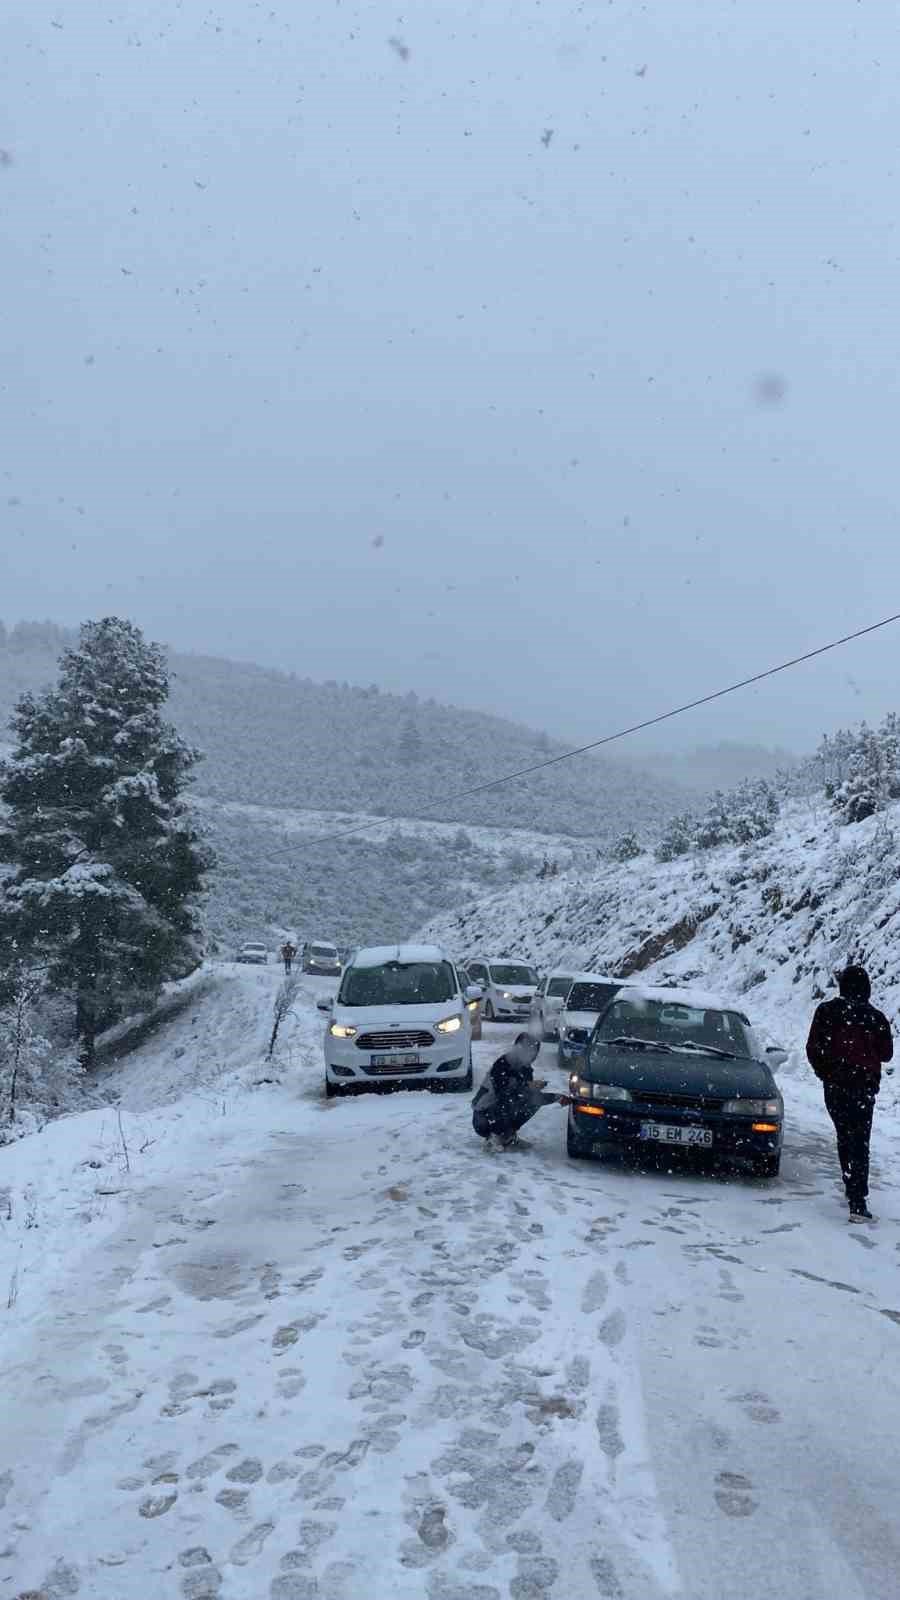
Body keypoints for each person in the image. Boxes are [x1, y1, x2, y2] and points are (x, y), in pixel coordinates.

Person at [806, 964, 893, 1222]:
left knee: (844, 1136)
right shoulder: (875, 1017)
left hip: (835, 1087)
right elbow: (887, 1053)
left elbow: (813, 1047)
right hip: (863, 1088)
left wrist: (827, 1073)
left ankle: (850, 1186)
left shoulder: (827, 1012)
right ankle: (857, 1201)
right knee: (860, 1141)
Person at [472, 1032, 569, 1150]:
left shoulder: (526, 1069)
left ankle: (508, 1135)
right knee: (513, 1100)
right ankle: (495, 1136)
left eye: (535, 1053)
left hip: (498, 1111)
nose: (533, 1056)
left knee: (533, 1101)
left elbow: (528, 1097)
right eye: (530, 1051)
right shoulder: (503, 1064)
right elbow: (504, 1093)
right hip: (483, 1117)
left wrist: (556, 1097)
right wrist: (528, 1086)